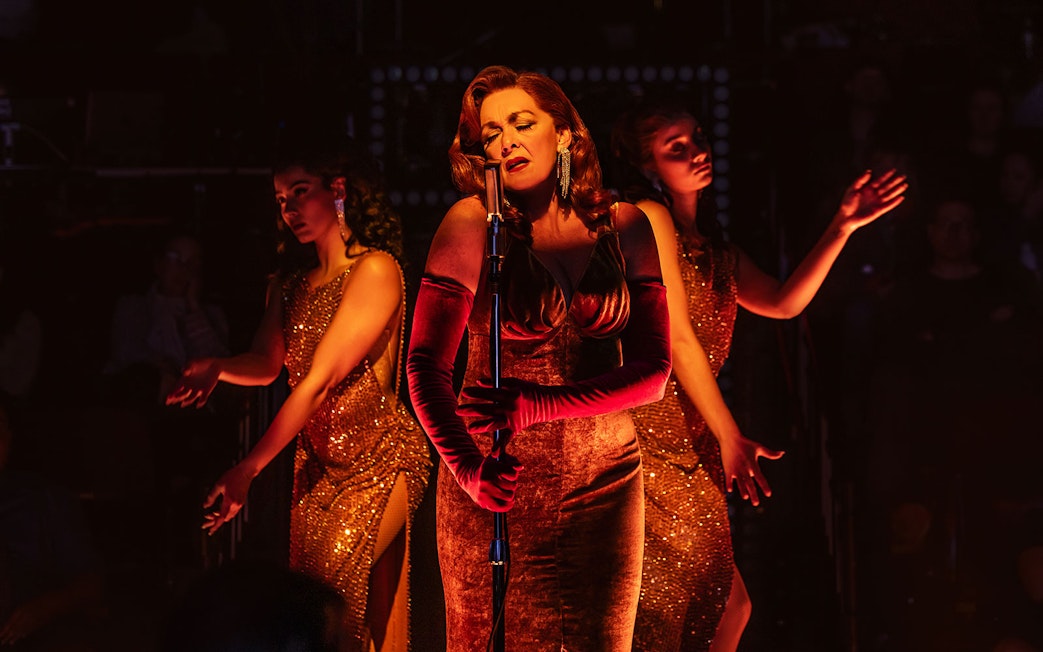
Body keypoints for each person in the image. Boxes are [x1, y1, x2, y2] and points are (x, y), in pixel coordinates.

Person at [609, 100, 908, 652]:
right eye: (676, 146)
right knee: (683, 608)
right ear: (647, 166)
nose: (698, 149)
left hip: (692, 431)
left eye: (696, 137)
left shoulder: (718, 250)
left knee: (723, 608)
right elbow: (676, 338)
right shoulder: (646, 218)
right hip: (648, 431)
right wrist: (729, 433)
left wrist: (842, 226)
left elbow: (784, 302)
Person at [405, 65, 671, 651]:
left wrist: (538, 406)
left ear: (566, 133)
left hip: (607, 482)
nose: (506, 142)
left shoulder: (624, 225)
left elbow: (654, 373)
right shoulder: (473, 223)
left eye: (521, 123)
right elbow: (423, 365)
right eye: (492, 133)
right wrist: (468, 470)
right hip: (499, 483)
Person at [165, 133, 431, 652]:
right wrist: (218, 366)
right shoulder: (288, 286)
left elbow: (320, 379)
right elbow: (266, 365)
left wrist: (248, 468)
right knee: (317, 611)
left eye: (300, 191)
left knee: (338, 598)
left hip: (378, 460)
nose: (288, 208)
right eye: (280, 199)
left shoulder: (376, 269)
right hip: (315, 468)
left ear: (337, 189)